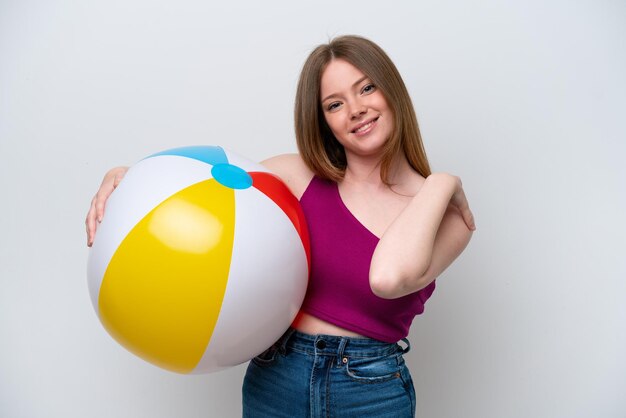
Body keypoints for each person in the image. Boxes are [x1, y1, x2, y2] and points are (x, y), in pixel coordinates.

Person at [86, 35, 475, 417]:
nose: (356, 109)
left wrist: (441, 183)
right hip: (277, 377)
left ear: (392, 91)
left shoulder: (448, 216)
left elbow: (388, 279)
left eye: (367, 88)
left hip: (370, 391)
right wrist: (125, 176)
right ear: (324, 122)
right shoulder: (296, 176)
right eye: (335, 104)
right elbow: (205, 187)